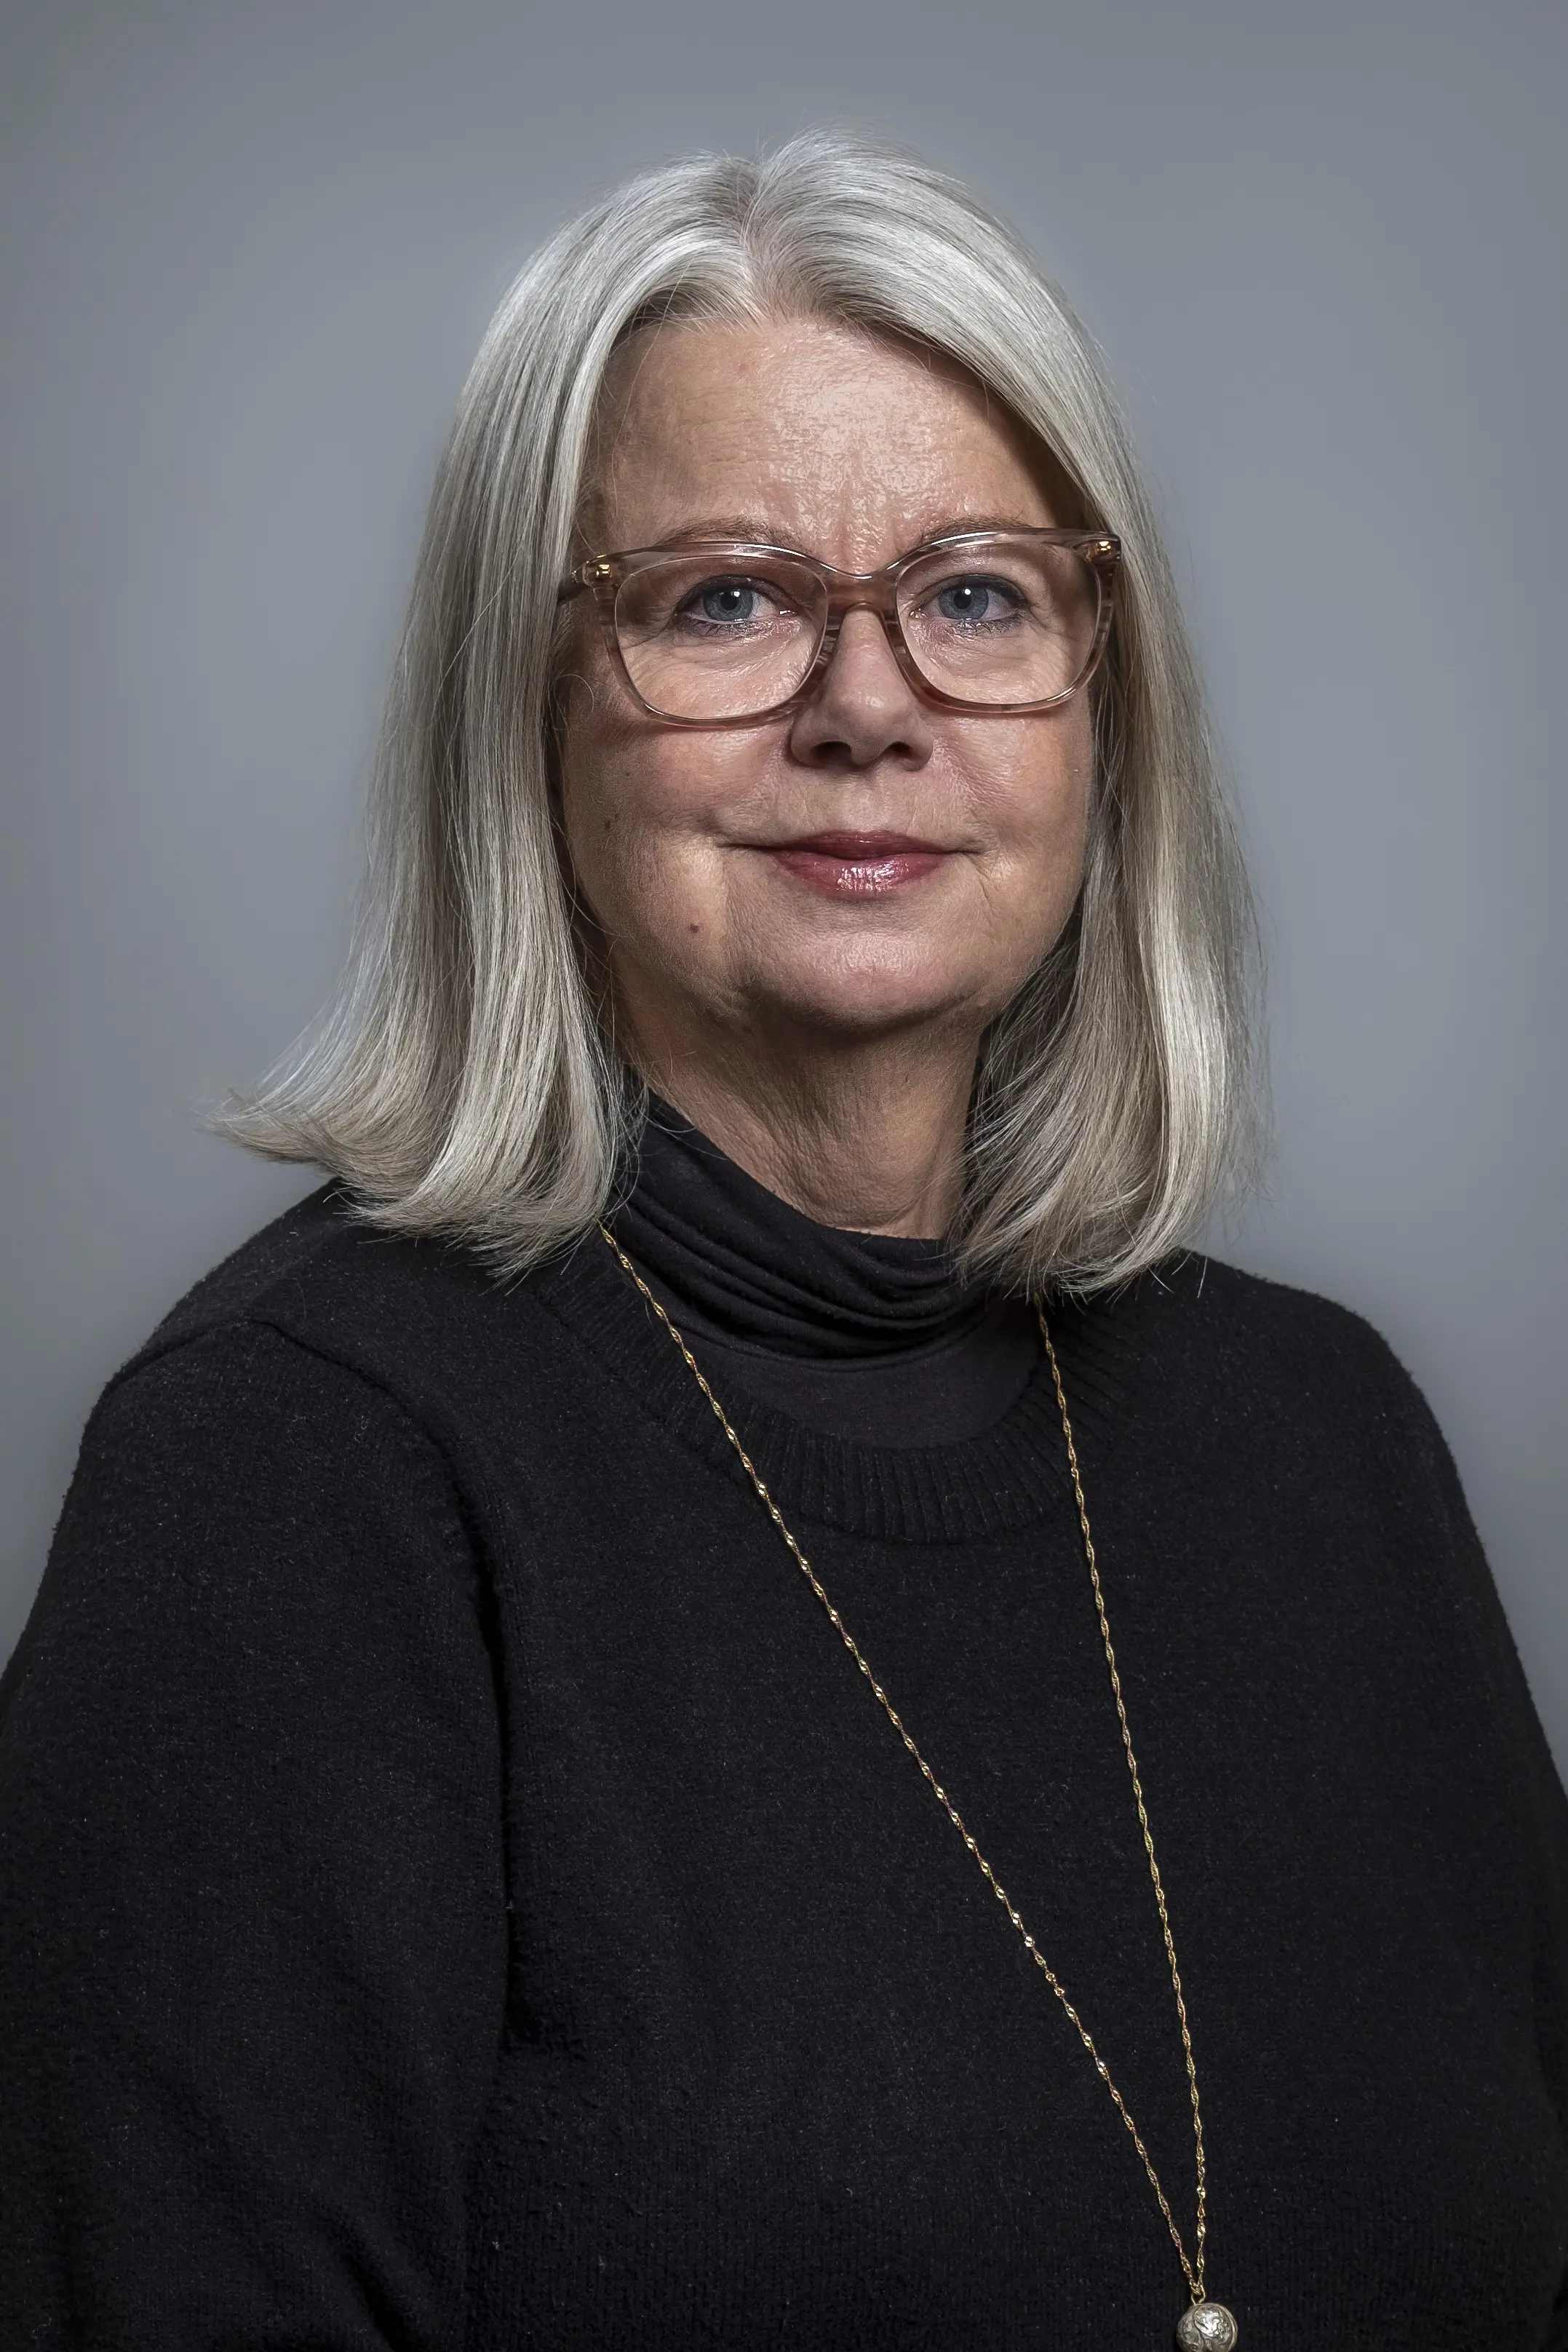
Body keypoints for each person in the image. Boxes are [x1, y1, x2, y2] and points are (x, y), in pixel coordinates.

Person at [1, 130, 1564, 2352]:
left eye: (978, 594)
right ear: (527, 708)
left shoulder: (1326, 1436)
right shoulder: (291, 1476)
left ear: (1101, 695)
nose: (868, 704)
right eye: (723, 598)